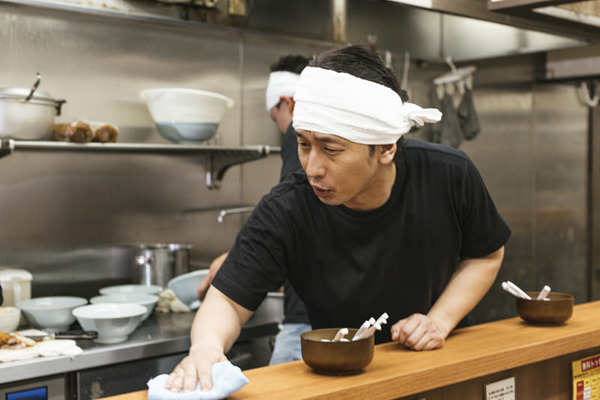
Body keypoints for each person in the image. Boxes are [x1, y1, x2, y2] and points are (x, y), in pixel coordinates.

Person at [167, 45, 511, 393]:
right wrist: (206, 349)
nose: (312, 168)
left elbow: (485, 254)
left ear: (385, 148)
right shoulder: (288, 207)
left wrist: (438, 321)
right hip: (347, 378)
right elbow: (228, 300)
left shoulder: (449, 174)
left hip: (442, 368)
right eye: (303, 144)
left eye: (330, 149)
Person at [196, 54, 313, 365]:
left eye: (275, 117)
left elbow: (295, 213)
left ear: (287, 103)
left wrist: (242, 256)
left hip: (307, 320)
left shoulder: (300, 134)